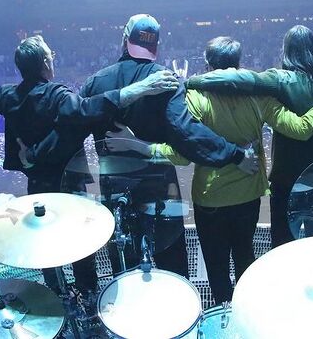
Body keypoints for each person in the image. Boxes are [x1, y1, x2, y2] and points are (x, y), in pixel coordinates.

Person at [0, 34, 179, 291]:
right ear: (44, 63)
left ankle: (54, 294)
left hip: (37, 187)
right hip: (68, 186)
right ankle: (87, 292)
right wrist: (143, 87)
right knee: (78, 245)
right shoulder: (58, 96)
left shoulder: (8, 95)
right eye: (51, 55)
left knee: (43, 243)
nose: (53, 59)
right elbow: (91, 107)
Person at [22, 15, 258, 283]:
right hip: (161, 192)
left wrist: (32, 155)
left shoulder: (97, 82)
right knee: (173, 273)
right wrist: (235, 155)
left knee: (125, 273)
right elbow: (188, 133)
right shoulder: (165, 81)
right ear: (156, 46)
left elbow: (69, 132)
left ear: (124, 41)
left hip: (116, 191)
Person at [118, 36, 313, 303]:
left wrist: (145, 149)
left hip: (210, 200)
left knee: (217, 268)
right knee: (246, 259)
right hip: (248, 196)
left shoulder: (195, 98)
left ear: (208, 64)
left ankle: (222, 312)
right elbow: (301, 128)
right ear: (239, 62)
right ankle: (246, 311)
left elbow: (182, 155)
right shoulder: (258, 97)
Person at [187, 25, 313, 248]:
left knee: (282, 249)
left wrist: (192, 82)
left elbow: (235, 79)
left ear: (286, 52)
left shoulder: (279, 80)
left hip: (286, 184)